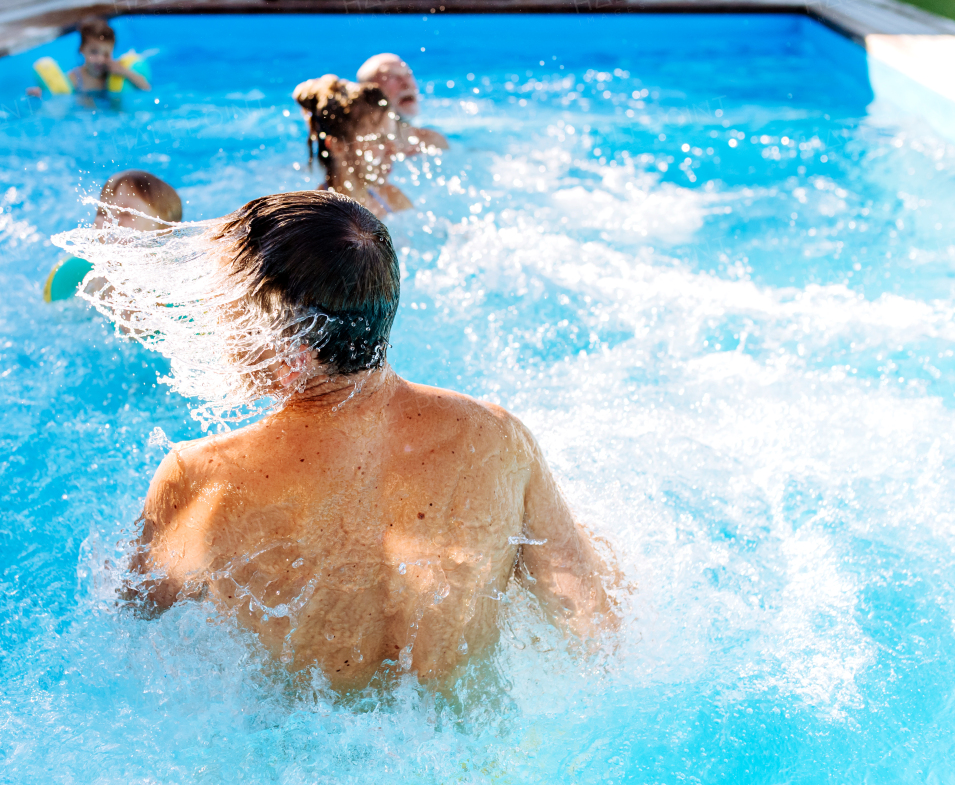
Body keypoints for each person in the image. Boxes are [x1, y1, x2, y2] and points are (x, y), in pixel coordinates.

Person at [127, 191, 617, 689]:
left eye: (231, 305)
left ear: (285, 341)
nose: (221, 321)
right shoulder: (496, 440)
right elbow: (593, 623)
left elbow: (131, 620)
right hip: (478, 763)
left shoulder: (201, 477)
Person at [44, 170, 181, 302]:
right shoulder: (76, 278)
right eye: (102, 212)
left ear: (163, 233)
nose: (109, 222)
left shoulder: (172, 287)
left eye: (126, 214)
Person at [293, 75, 412, 219]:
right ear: (338, 146)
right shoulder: (317, 217)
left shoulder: (393, 200)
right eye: (378, 140)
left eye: (390, 138)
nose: (393, 151)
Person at [27, 18, 151, 100]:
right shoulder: (75, 78)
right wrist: (42, 93)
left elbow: (146, 88)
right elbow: (59, 92)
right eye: (94, 52)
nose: (100, 59)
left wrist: (126, 72)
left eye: (106, 54)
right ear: (82, 50)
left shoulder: (116, 70)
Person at [357, 53, 449, 154]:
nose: (406, 84)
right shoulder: (360, 152)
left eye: (408, 75)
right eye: (392, 77)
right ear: (369, 94)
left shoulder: (434, 142)